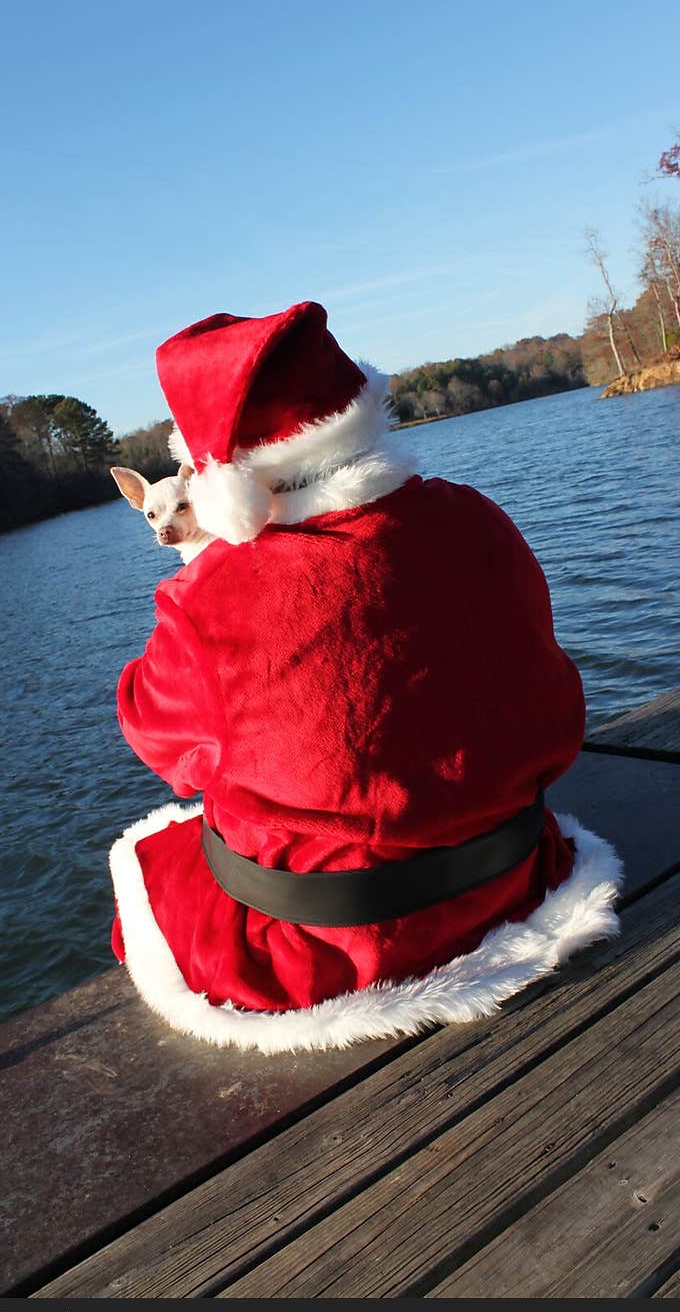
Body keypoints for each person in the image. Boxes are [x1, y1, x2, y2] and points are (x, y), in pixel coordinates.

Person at [109, 300, 621, 1052]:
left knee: (163, 860)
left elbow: (157, 740)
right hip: (517, 882)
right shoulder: (476, 518)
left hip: (327, 950)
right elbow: (555, 705)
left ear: (225, 479)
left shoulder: (213, 595)